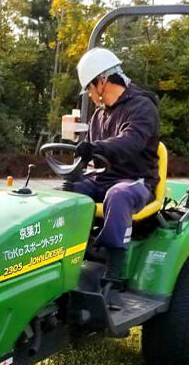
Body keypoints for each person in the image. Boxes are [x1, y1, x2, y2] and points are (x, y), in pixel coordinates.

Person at [68, 47, 161, 286]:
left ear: (102, 81)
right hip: (103, 178)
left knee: (117, 195)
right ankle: (69, 253)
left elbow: (131, 142)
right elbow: (93, 157)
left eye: (89, 88)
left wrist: (96, 147)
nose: (89, 95)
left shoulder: (142, 107)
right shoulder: (100, 116)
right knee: (67, 192)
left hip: (136, 181)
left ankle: (114, 270)